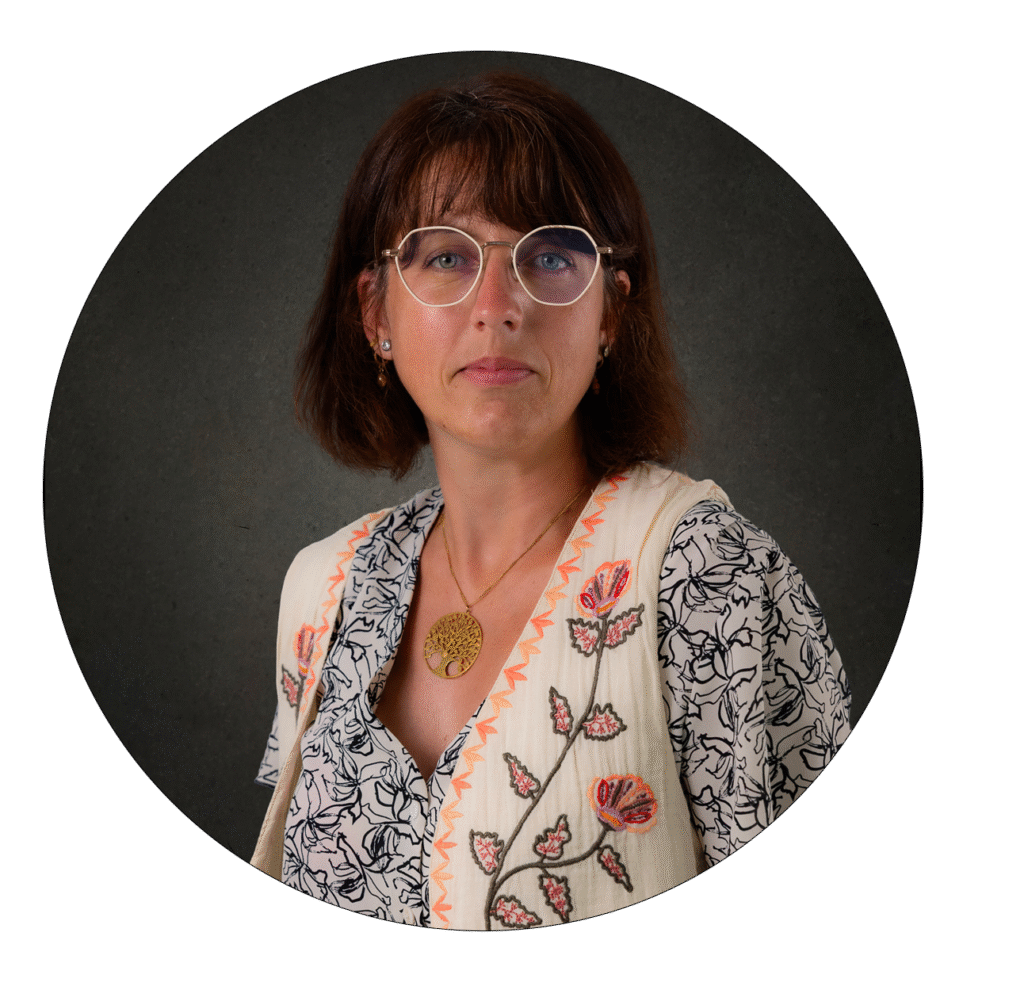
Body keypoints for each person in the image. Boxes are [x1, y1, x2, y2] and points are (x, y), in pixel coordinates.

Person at [251, 72, 851, 930]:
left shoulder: (709, 576)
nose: (498, 308)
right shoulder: (323, 589)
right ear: (375, 312)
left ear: (610, 314)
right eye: (446, 256)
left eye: (551, 257)